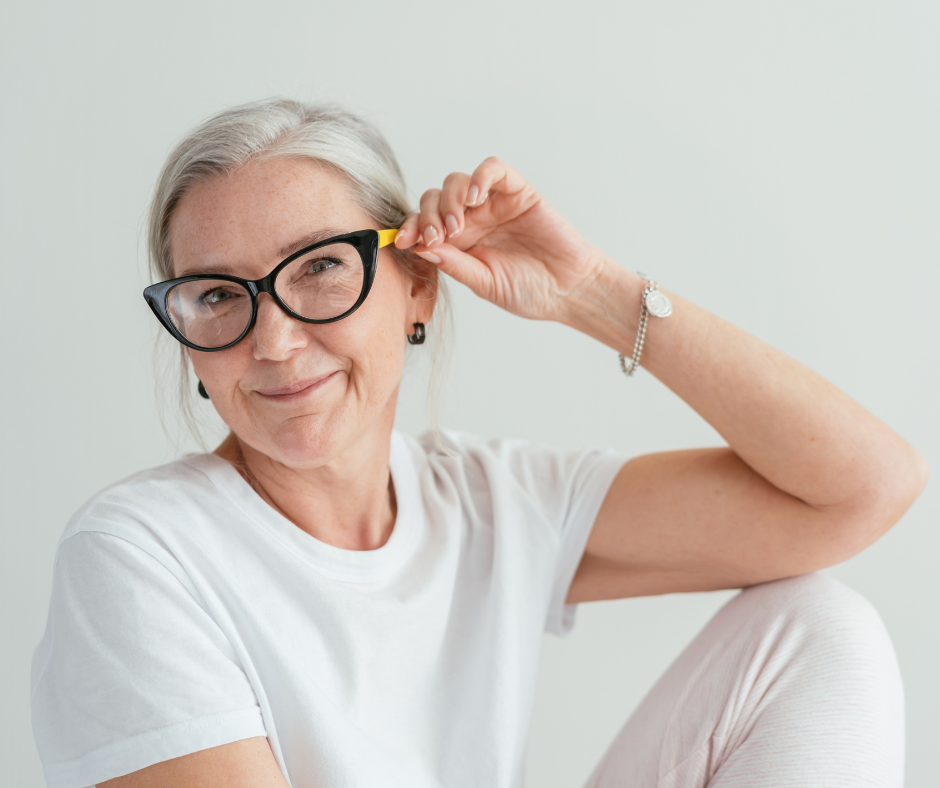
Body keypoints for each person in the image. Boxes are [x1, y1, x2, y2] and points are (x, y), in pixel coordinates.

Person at [31, 98, 927, 788]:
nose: (272, 341)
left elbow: (858, 490)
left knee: (821, 629)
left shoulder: (490, 503)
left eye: (322, 267)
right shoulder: (138, 556)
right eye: (218, 295)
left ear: (418, 284)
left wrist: (593, 294)